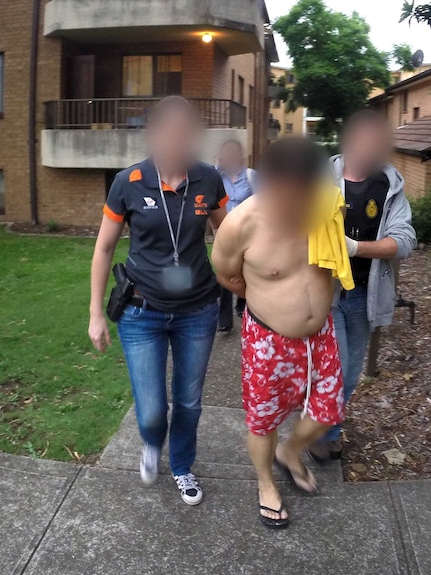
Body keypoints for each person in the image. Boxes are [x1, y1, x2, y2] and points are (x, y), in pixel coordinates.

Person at [88, 96, 228, 506]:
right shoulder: (128, 182)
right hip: (141, 312)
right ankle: (152, 441)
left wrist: (247, 281)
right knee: (151, 409)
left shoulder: (209, 179)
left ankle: (182, 466)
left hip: (198, 310)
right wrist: (96, 313)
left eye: (185, 131)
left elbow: (228, 235)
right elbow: (102, 249)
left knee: (188, 400)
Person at [211, 138, 346, 529]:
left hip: (321, 336)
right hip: (267, 342)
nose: (297, 206)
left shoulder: (326, 209)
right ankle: (266, 482)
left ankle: (292, 452)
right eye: (288, 196)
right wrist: (259, 298)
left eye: (306, 194)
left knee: (327, 412)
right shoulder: (241, 224)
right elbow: (224, 272)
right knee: (263, 421)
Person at [309, 110, 417, 462]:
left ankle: (330, 429)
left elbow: (404, 240)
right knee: (334, 368)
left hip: (363, 295)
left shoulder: (390, 186)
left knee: (351, 371)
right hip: (325, 293)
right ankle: (317, 434)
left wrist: (355, 248)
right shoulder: (320, 176)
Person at [215, 139, 256, 332]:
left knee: (246, 272)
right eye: (226, 155)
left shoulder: (251, 176)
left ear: (240, 157)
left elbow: (263, 199)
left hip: (248, 235)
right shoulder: (216, 177)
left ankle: (245, 305)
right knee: (224, 274)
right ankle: (224, 320)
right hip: (225, 234)